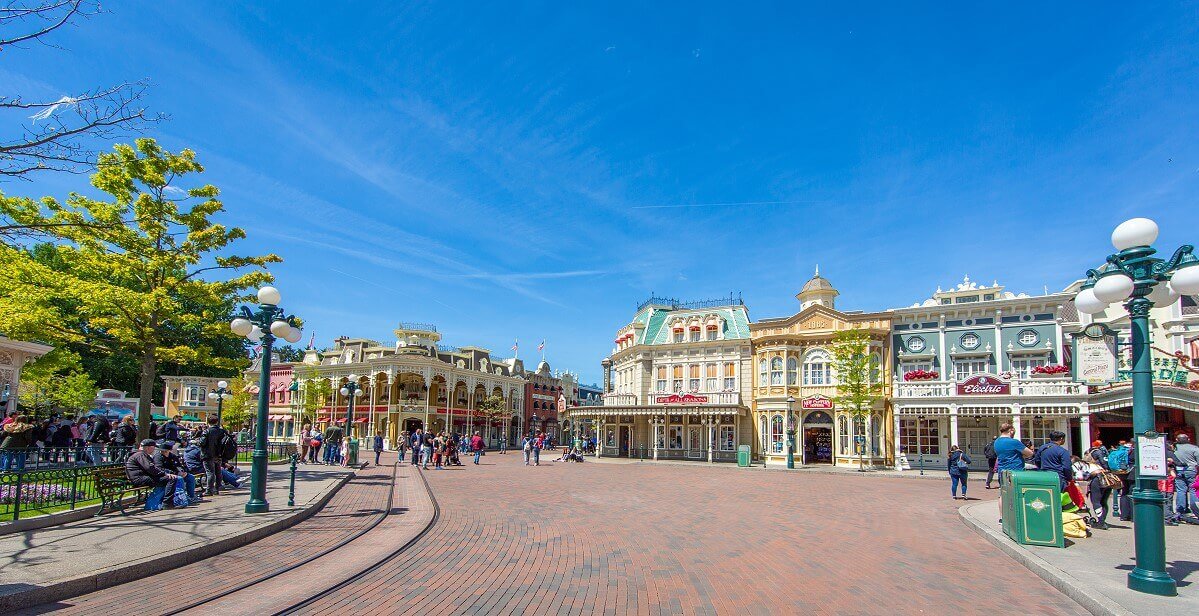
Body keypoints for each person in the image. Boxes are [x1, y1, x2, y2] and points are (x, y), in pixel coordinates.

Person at [125, 439, 179, 511]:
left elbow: (153, 468)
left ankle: (163, 501)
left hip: (143, 477)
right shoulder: (140, 455)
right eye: (154, 447)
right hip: (139, 479)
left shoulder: (142, 454)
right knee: (171, 479)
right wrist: (165, 473)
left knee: (168, 478)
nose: (154, 449)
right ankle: (167, 503)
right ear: (148, 447)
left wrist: (163, 474)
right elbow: (150, 468)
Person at [153, 440, 191, 507]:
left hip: (176, 473)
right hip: (165, 475)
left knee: (190, 477)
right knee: (179, 479)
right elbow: (159, 468)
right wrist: (174, 473)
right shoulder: (158, 457)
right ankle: (180, 499)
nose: (164, 452)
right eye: (162, 451)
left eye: (166, 451)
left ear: (169, 450)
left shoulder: (173, 456)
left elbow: (178, 465)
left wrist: (181, 471)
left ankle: (191, 496)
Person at [1171, 433, 1199, 521]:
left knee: (1180, 490)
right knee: (1193, 490)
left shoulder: (1174, 448)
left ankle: (1180, 510)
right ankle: (1195, 510)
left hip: (1178, 470)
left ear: (1177, 440)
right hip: (1191, 470)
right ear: (1188, 439)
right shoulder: (1194, 448)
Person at [199, 417, 229, 496]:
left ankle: (209, 490)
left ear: (208, 422)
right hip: (218, 454)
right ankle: (217, 488)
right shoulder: (221, 431)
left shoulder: (207, 431)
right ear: (217, 422)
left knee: (210, 472)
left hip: (208, 454)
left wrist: (197, 441)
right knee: (218, 472)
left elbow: (202, 442)